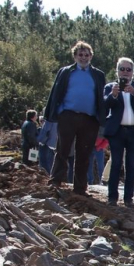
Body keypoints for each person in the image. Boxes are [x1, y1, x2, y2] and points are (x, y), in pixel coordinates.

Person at [43, 41, 107, 195]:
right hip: (68, 116)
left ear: (91, 56)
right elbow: (56, 91)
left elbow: (102, 97)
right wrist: (57, 112)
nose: (83, 58)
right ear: (75, 56)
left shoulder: (98, 75)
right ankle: (56, 181)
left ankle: (80, 188)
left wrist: (102, 120)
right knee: (62, 149)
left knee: (84, 154)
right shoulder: (65, 72)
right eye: (80, 55)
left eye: (86, 55)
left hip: (90, 119)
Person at [103, 57, 134, 207]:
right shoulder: (110, 87)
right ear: (117, 71)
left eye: (128, 69)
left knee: (131, 165)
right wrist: (114, 94)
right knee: (116, 163)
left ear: (133, 72)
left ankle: (128, 198)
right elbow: (105, 104)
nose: (125, 72)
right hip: (117, 131)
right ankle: (112, 197)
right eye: (122, 69)